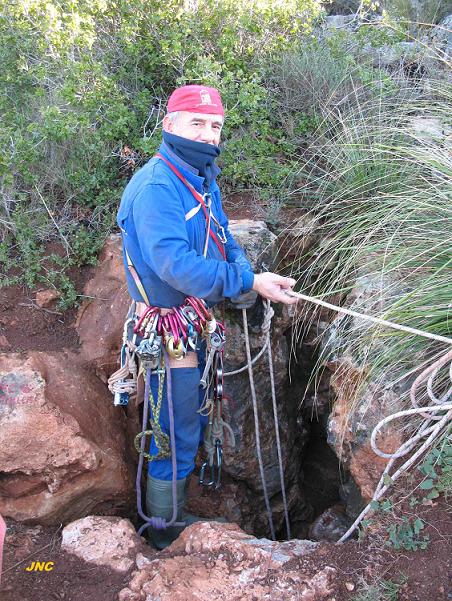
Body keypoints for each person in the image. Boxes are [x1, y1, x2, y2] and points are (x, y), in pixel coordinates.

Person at [117, 84, 296, 549]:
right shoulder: (158, 187)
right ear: (169, 125)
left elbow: (222, 233)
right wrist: (249, 284)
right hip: (166, 325)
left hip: (190, 318)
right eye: (197, 123)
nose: (208, 133)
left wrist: (244, 271)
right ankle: (163, 532)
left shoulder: (198, 175)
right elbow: (176, 266)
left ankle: (170, 514)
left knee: (187, 421)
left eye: (215, 126)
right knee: (174, 428)